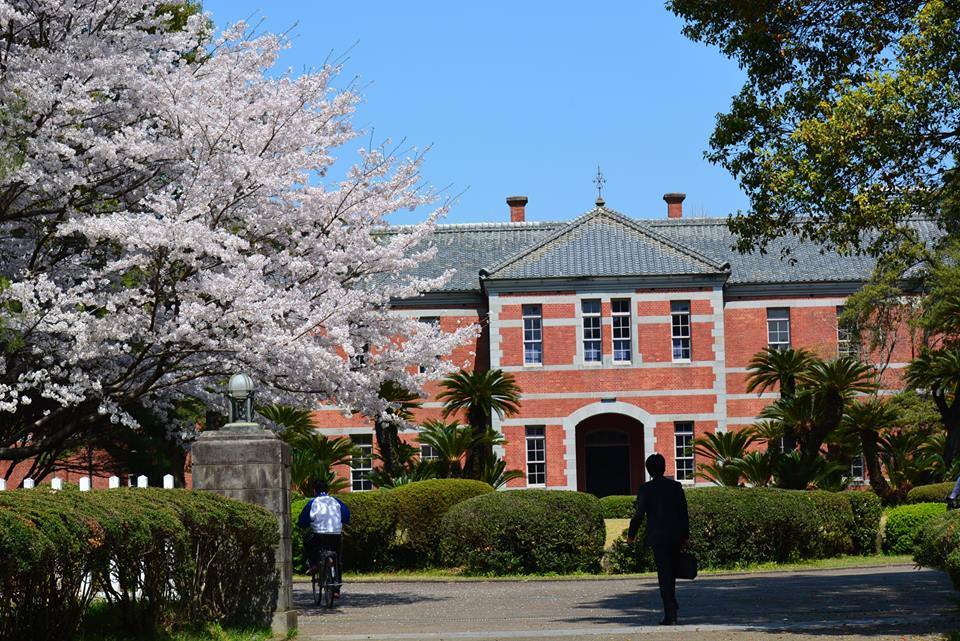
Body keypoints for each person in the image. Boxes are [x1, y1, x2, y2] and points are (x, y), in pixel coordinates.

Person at [626, 453, 690, 626]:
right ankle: (672, 606)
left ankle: (670, 612)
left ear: (649, 470)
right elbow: (683, 513)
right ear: (664, 467)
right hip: (675, 535)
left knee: (665, 574)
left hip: (658, 538)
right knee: (672, 573)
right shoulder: (676, 487)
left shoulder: (646, 489)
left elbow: (638, 516)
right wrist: (686, 536)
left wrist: (631, 535)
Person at [297, 479, 350, 596]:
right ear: (328, 490)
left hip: (319, 534)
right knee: (337, 559)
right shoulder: (336, 501)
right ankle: (336, 588)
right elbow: (346, 515)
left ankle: (314, 564)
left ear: (315, 491)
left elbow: (303, 520)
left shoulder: (313, 502)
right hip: (336, 534)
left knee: (308, 543)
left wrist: (302, 525)